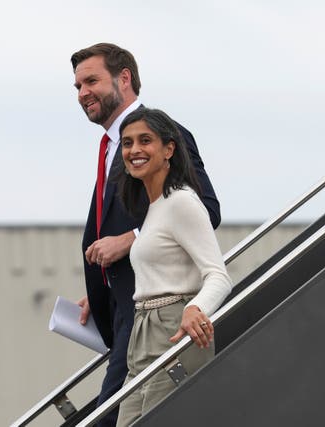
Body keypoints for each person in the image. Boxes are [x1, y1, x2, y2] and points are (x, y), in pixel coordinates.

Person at [71, 42, 221, 426]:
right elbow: (146, 224)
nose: (83, 92)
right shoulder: (111, 149)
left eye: (91, 81)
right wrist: (103, 286)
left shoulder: (161, 133)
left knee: (108, 416)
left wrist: (128, 239)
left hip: (164, 318)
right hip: (132, 310)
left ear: (124, 79)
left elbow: (205, 208)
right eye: (77, 86)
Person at [114, 106, 232, 426]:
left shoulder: (181, 201)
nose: (134, 150)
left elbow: (218, 275)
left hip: (174, 329)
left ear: (169, 149)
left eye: (144, 140)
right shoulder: (154, 208)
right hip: (143, 331)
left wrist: (195, 308)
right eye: (127, 143)